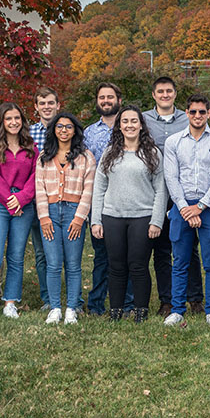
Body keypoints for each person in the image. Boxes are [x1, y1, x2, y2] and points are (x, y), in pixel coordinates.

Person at [91, 105, 167, 323]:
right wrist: (96, 219)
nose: (130, 125)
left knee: (138, 265)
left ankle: (140, 311)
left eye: (134, 121)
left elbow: (161, 189)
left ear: (141, 125)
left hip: (142, 217)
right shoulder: (109, 153)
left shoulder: (152, 154)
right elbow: (99, 187)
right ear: (119, 126)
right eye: (125, 121)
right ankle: (115, 311)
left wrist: (157, 221)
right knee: (116, 266)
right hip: (112, 216)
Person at [162, 94, 210, 327]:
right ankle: (178, 309)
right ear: (187, 113)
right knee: (180, 260)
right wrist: (184, 208)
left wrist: (199, 207)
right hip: (181, 206)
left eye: (202, 112)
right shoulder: (174, 142)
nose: (198, 116)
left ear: (209, 114)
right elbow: (171, 177)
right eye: (193, 112)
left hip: (208, 206)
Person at [143, 76, 203, 315]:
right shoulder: (144, 120)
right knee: (162, 249)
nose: (165, 95)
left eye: (169, 91)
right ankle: (167, 300)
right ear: (154, 95)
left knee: (189, 247)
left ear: (175, 94)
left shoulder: (187, 118)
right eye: (160, 91)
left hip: (185, 192)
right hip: (156, 192)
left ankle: (195, 298)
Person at [0, 103, 39, 320]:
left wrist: (21, 199)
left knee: (15, 256)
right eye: (9, 118)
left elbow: (35, 177)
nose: (14, 122)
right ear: (1, 121)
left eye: (17, 118)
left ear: (22, 121)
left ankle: (10, 302)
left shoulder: (31, 146)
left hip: (24, 206)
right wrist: (10, 200)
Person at [35, 113, 96, 325]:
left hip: (73, 212)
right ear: (53, 130)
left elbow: (89, 190)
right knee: (52, 264)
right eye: (59, 126)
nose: (63, 130)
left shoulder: (85, 157)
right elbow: (39, 189)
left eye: (68, 127)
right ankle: (54, 308)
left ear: (74, 130)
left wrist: (79, 219)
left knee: (73, 264)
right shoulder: (44, 156)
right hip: (50, 213)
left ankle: (71, 307)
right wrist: (43, 218)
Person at [83, 82, 121, 316]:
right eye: (102, 98)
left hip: (126, 200)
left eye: (110, 97)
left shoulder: (129, 125)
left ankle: (126, 302)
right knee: (101, 257)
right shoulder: (89, 132)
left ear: (118, 99)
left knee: (124, 256)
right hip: (98, 200)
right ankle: (96, 303)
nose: (106, 101)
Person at [28, 86, 62, 309]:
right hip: (36, 199)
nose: (47, 107)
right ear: (36, 107)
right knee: (41, 251)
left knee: (66, 254)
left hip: (62, 200)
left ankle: (69, 296)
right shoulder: (28, 133)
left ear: (58, 105)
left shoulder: (67, 129)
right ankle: (48, 298)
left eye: (50, 102)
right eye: (42, 103)